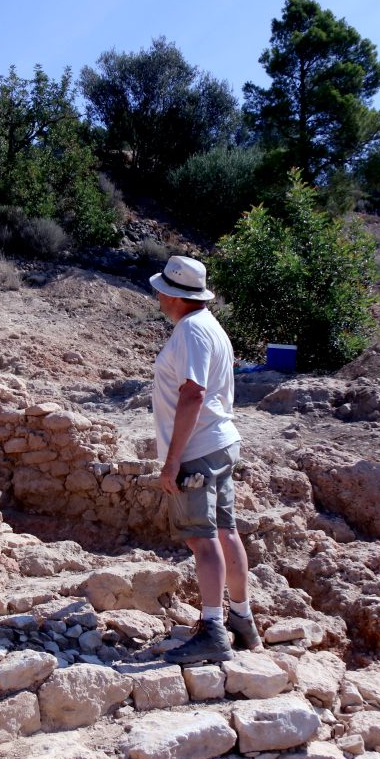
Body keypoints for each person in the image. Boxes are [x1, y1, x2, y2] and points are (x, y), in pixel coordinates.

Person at [149, 256, 260, 664]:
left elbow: (193, 394)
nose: (158, 294)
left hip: (197, 447)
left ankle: (213, 629)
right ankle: (242, 620)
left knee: (202, 537)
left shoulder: (191, 332)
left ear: (174, 294)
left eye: (162, 288)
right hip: (220, 442)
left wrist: (172, 460)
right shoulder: (209, 326)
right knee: (226, 531)